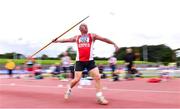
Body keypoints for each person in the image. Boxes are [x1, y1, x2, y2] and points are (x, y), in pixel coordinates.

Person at [52, 23, 119, 105]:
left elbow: (104, 39)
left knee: (97, 77)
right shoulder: (77, 37)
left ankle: (99, 97)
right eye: (84, 26)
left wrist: (113, 43)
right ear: (80, 29)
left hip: (90, 61)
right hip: (79, 61)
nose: (86, 27)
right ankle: (69, 88)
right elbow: (66, 40)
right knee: (77, 79)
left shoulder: (92, 36)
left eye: (87, 26)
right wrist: (57, 41)